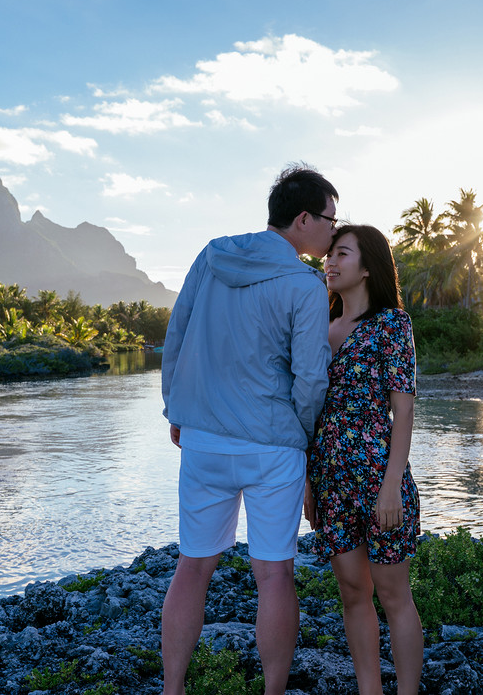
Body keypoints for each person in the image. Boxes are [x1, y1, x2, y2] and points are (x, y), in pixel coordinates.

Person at [160, 164, 339, 695]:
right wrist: (303, 437)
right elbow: (311, 377)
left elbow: (178, 334)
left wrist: (176, 409)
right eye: (331, 218)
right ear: (303, 218)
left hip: (204, 439)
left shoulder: (213, 255)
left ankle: (171, 690)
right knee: (274, 574)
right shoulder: (305, 285)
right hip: (272, 446)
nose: (335, 230)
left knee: (192, 567)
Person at [304, 224, 425, 695]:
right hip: (331, 482)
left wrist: (392, 483)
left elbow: (404, 408)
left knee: (394, 596)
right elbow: (308, 411)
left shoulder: (391, 325)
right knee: (353, 594)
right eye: (329, 254)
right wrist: (309, 482)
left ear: (368, 266)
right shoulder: (316, 327)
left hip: (379, 479)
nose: (330, 262)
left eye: (342, 254)